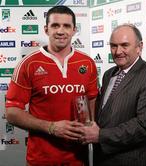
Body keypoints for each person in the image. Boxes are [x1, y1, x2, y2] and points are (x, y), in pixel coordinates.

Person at [5, 5, 98, 166]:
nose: (61, 31)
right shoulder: (28, 64)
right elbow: (12, 112)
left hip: (78, 158)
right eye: (55, 25)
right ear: (46, 29)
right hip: (41, 159)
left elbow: (92, 99)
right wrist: (51, 127)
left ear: (74, 30)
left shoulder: (87, 63)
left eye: (66, 26)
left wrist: (91, 124)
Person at [78, 24, 146, 166]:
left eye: (124, 45)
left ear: (139, 47)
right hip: (103, 159)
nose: (118, 51)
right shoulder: (108, 74)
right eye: (113, 46)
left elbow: (145, 126)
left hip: (132, 160)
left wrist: (100, 135)